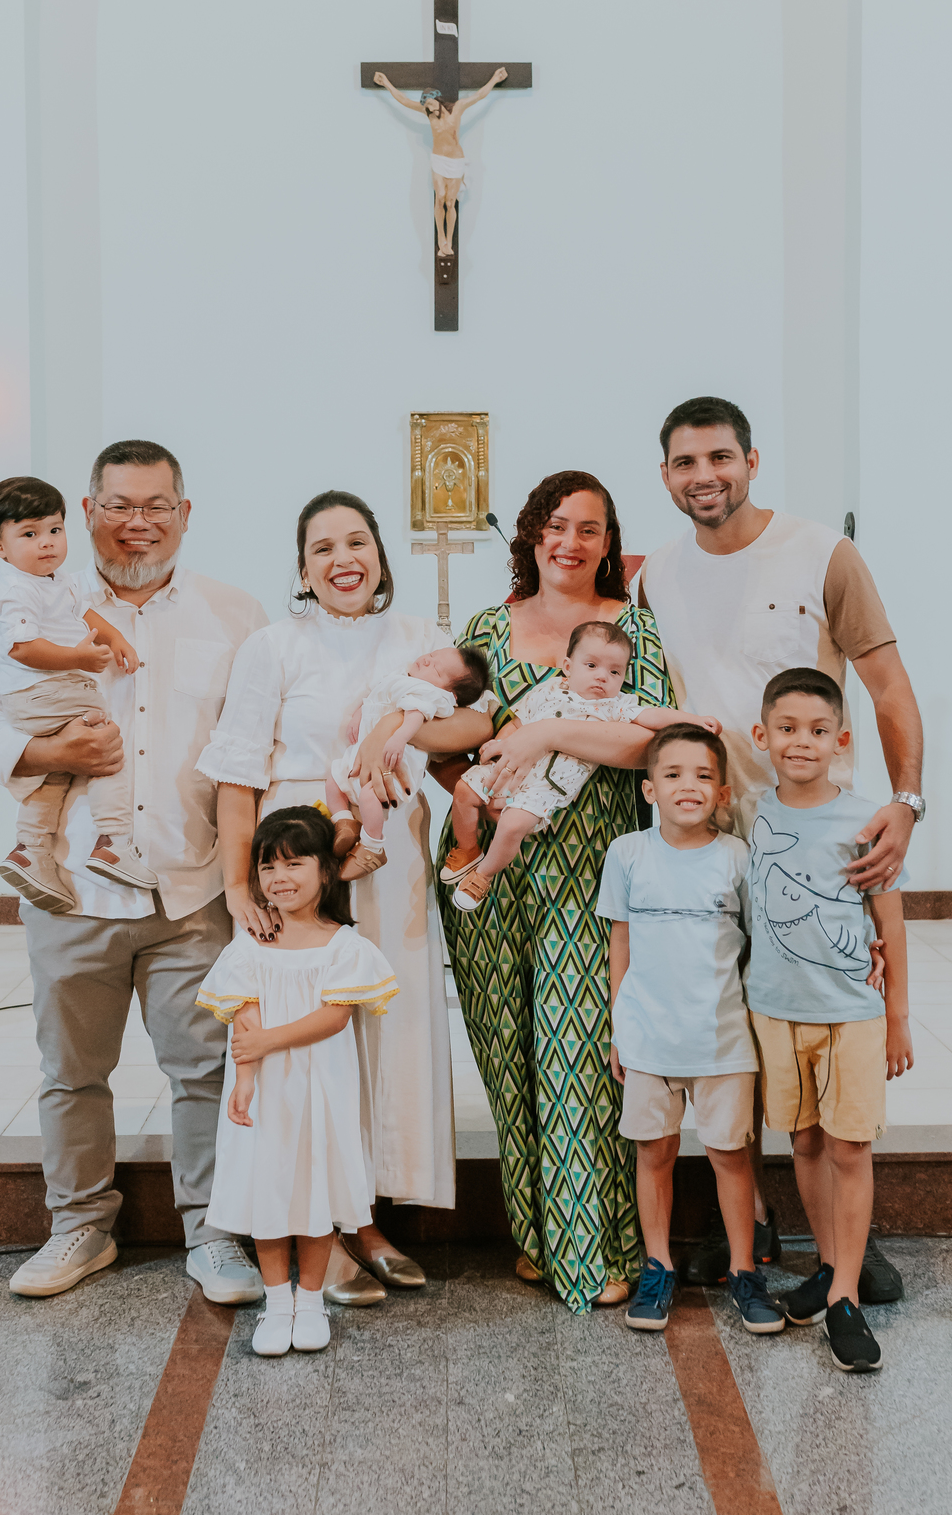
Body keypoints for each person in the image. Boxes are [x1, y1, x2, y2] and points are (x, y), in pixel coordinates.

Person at [0, 440, 268, 1303]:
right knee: (72, 1073)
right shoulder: (33, 603)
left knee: (203, 1069)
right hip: (72, 889)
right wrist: (50, 749)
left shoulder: (234, 614)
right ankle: (79, 1226)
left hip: (189, 886)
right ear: (86, 511)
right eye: (120, 504)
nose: (139, 522)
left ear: (185, 512)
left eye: (157, 504)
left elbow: (260, 745)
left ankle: (214, 1233)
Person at [641, 395, 923, 1298]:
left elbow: (885, 686)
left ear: (752, 462)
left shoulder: (821, 555)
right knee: (742, 1038)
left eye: (720, 457)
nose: (704, 476)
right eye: (686, 463)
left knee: (827, 1027)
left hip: (816, 842)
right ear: (667, 476)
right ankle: (753, 1227)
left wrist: (908, 800)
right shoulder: (659, 579)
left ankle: (845, 1242)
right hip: (715, 846)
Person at [199, 490, 490, 1304]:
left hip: (389, 850)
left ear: (380, 555)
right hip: (295, 853)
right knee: (307, 1038)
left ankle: (365, 1214)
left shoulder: (418, 641)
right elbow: (236, 771)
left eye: (356, 540)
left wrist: (394, 730)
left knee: (381, 1029)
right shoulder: (272, 645)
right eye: (321, 547)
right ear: (302, 568)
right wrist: (236, 886)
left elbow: (475, 726)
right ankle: (318, 1221)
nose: (341, 558)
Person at [436, 470, 673, 1312]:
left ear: (610, 542)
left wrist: (540, 730)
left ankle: (595, 1246)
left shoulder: (633, 629)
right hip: (494, 862)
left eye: (590, 528)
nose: (571, 542)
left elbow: (652, 745)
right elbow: (454, 732)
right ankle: (537, 1238)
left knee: (578, 1051)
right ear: (532, 535)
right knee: (509, 1053)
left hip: (592, 859)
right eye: (556, 526)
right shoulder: (484, 628)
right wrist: (464, 780)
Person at [746, 669, 913, 1372]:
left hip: (850, 1011)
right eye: (786, 728)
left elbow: (890, 924)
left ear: (841, 741)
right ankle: (824, 1261)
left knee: (849, 1148)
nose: (801, 743)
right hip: (775, 1010)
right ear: (762, 736)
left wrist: (898, 1014)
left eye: (818, 731)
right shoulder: (751, 812)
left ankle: (844, 1293)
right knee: (805, 1141)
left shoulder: (865, 819)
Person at [600, 724, 785, 1338]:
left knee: (730, 1156)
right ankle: (657, 1268)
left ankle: (742, 1272)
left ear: (724, 792)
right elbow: (619, 944)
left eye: (703, 776)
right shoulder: (627, 854)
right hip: (648, 1036)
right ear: (649, 789)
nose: (689, 786)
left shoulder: (738, 859)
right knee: (654, 1153)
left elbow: (760, 946)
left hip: (723, 1039)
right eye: (674, 774)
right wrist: (618, 1029)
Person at [196, 808, 399, 1357]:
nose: (278, 877)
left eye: (293, 863)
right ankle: (276, 1301)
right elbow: (244, 1013)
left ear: (326, 871)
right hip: (265, 1090)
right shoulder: (251, 942)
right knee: (269, 1189)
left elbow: (335, 1018)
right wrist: (244, 1076)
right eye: (267, 867)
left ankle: (310, 1301)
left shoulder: (342, 945)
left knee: (315, 1188)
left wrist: (267, 1043)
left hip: (320, 1090)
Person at [0, 475, 158, 910]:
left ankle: (30, 849)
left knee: (56, 773)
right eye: (29, 534)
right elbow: (22, 647)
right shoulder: (17, 589)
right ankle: (113, 839)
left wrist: (116, 640)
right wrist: (77, 659)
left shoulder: (55, 582)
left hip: (40, 698)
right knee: (106, 747)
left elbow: (87, 612)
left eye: (54, 530)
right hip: (47, 690)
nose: (47, 543)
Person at [446, 620, 714, 911]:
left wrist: (693, 721)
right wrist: (500, 744)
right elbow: (518, 721)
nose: (602, 677)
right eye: (591, 666)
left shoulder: (616, 706)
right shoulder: (547, 690)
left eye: (614, 671)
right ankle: (467, 849)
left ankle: (482, 875)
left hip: (546, 787)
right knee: (464, 790)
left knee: (513, 825)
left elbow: (654, 717)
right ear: (568, 666)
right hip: (510, 768)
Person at [324, 643, 490, 874]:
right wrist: (357, 716)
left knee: (370, 796)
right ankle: (344, 822)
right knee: (333, 781)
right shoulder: (401, 676)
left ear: (449, 693)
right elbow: (374, 697)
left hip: (396, 760)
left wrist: (399, 737)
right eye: (432, 656)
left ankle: (372, 845)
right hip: (364, 753)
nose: (426, 661)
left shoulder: (426, 692)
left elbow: (414, 716)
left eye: (437, 670)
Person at [372, 67, 508, 257]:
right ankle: (440, 238)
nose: (428, 108)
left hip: (456, 161)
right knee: (440, 197)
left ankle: (448, 242)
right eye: (426, 106)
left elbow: (478, 96)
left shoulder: (457, 109)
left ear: (437, 99)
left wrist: (494, 79)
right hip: (438, 160)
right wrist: (386, 83)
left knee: (451, 202)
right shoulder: (428, 114)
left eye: (430, 103)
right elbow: (403, 101)